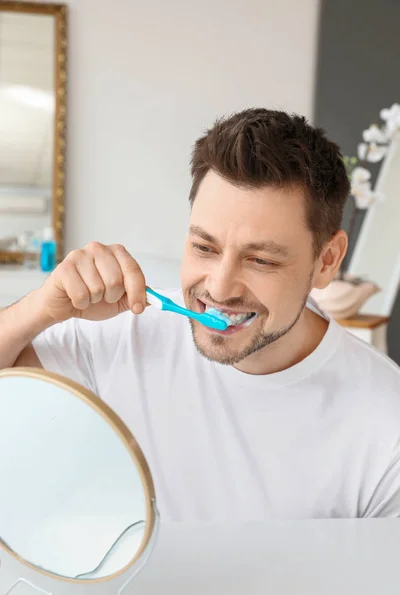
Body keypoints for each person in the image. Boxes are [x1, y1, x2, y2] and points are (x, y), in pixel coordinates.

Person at [1, 108, 400, 520]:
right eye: (204, 248)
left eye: (261, 260)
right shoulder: (126, 333)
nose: (220, 287)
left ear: (327, 261)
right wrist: (40, 309)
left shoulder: (385, 423)